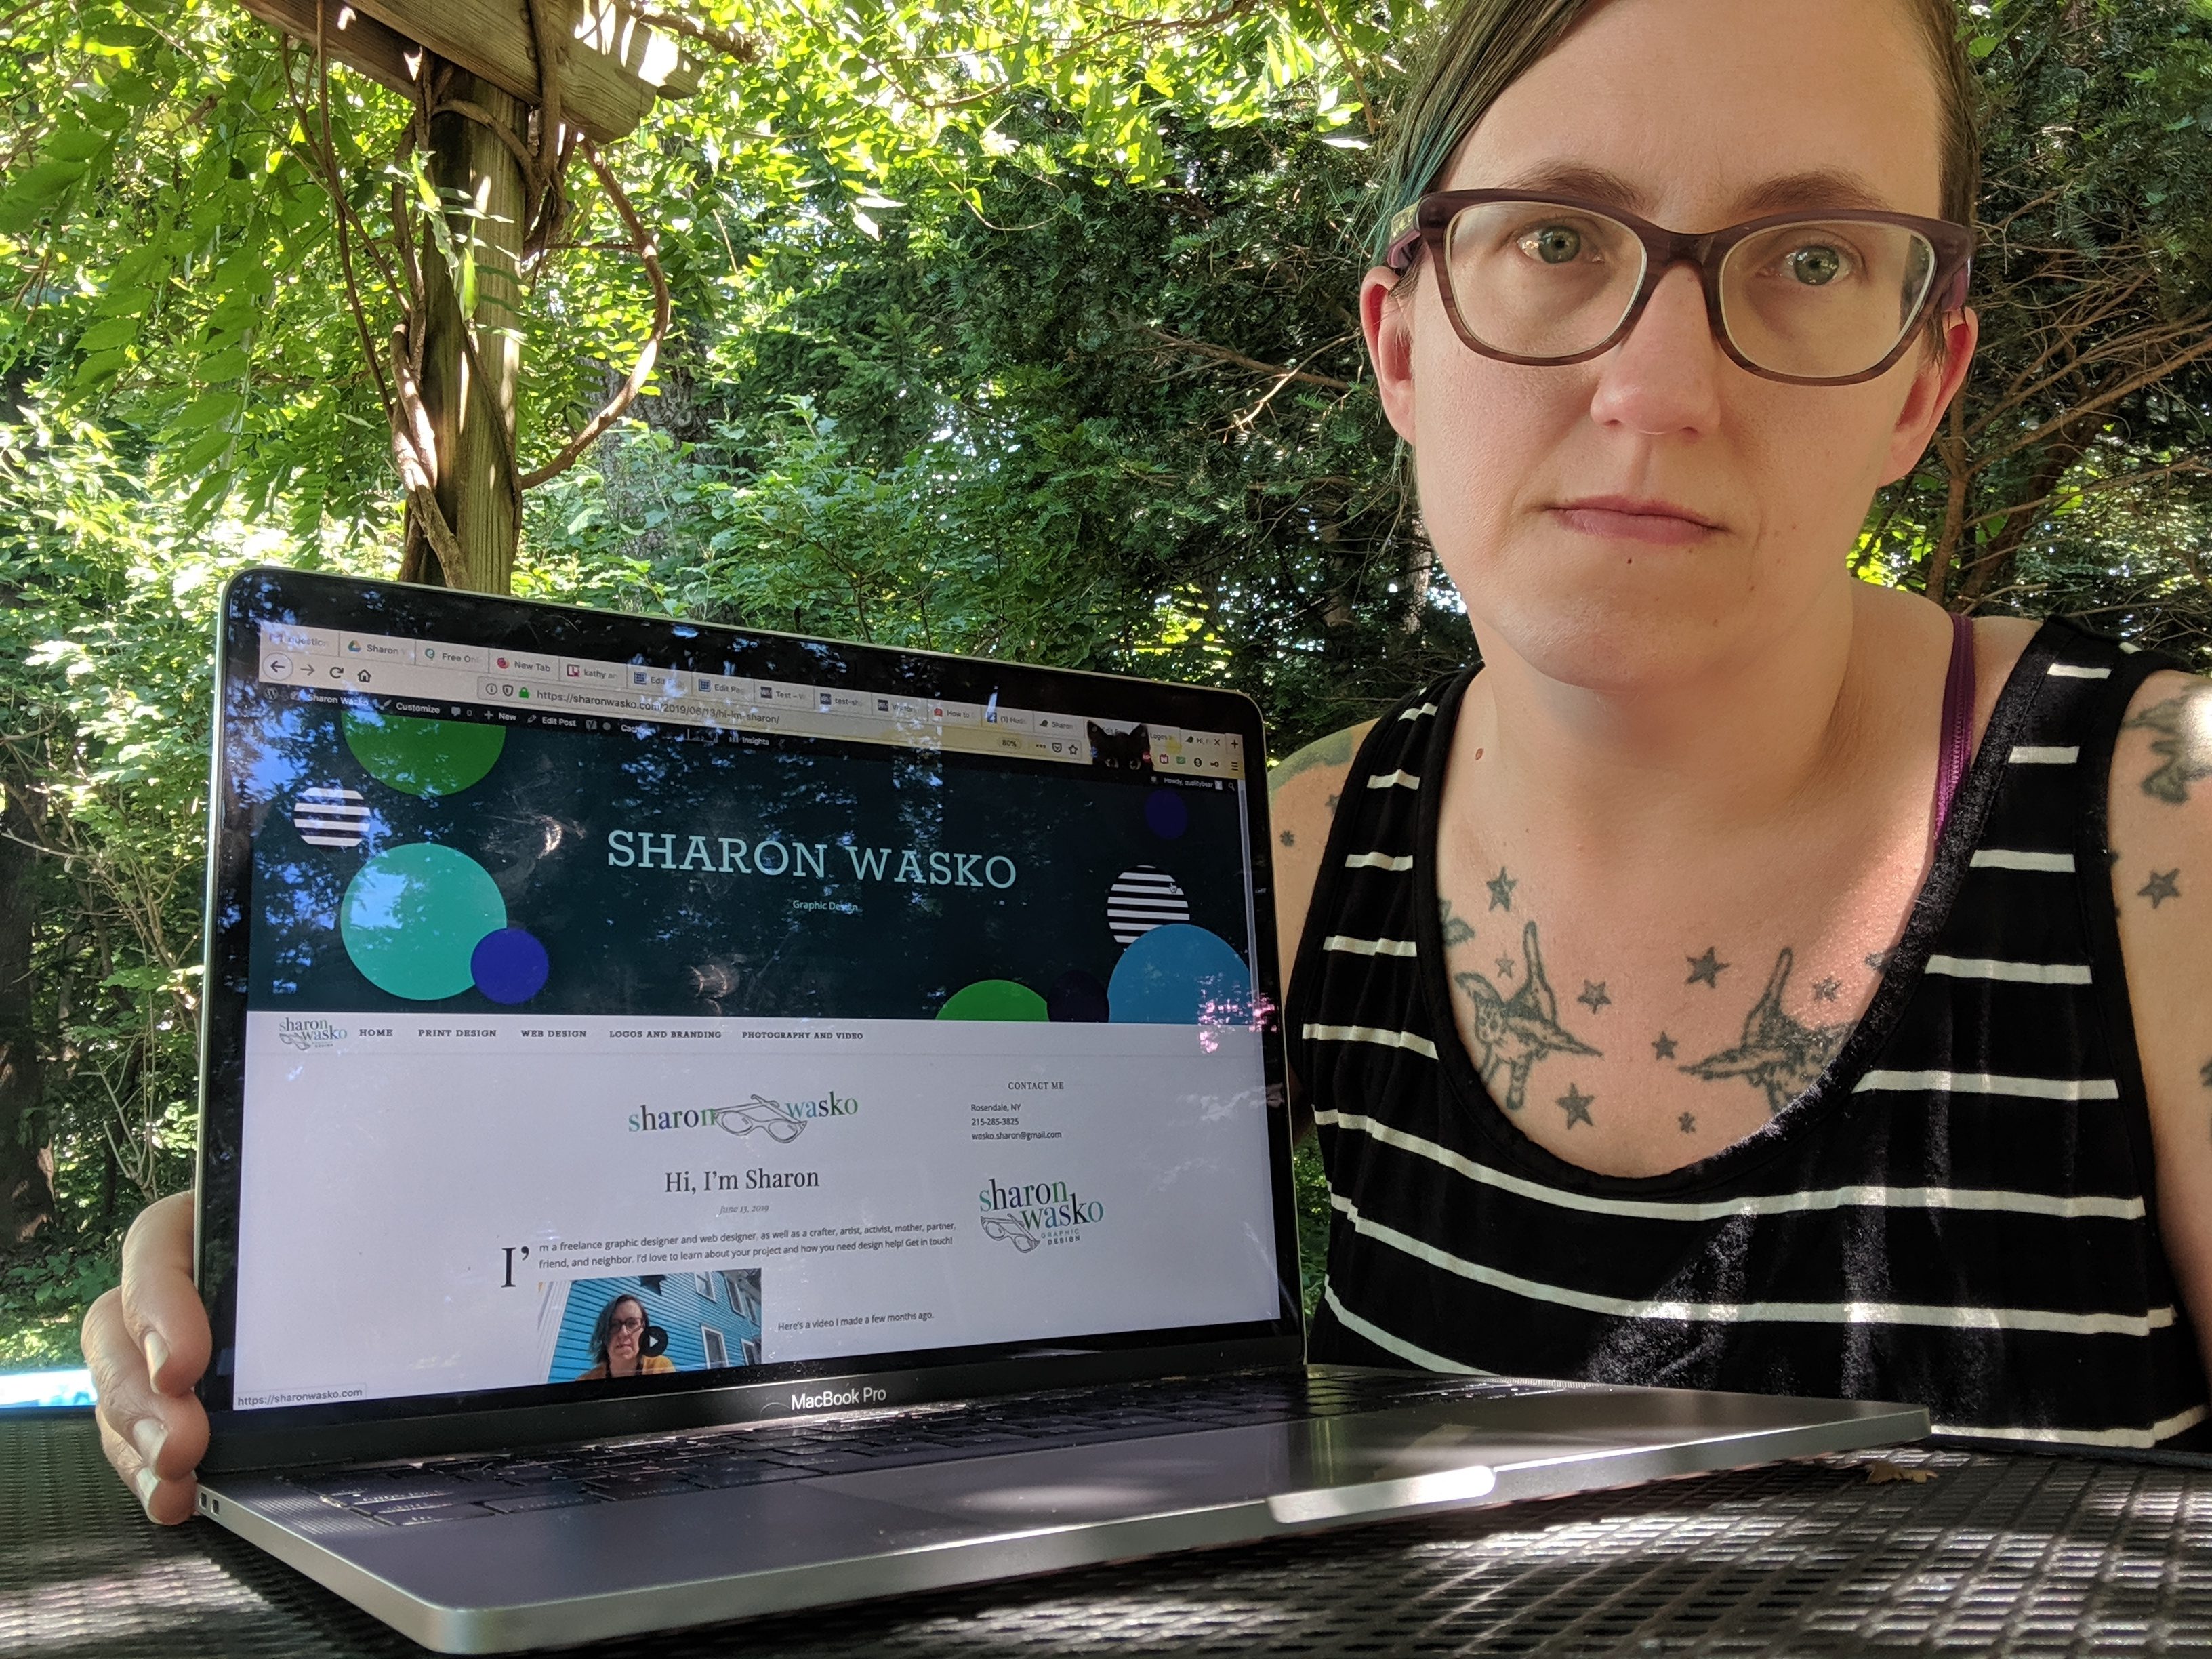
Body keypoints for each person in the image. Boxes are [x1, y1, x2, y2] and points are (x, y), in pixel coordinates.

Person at [80, 0, 2212, 1526]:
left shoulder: (2166, 853)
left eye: (1808, 255)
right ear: (1399, 340)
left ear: (1921, 379)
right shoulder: (1237, 867)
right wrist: (307, 1234)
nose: (1656, 384)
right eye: (1555, 237)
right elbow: (745, 1195)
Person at [572, 1293, 676, 1382]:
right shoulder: (585, 1382)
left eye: (632, 1323)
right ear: (603, 1334)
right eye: (614, 1325)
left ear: (645, 1330)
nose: (623, 1333)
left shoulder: (660, 1368)